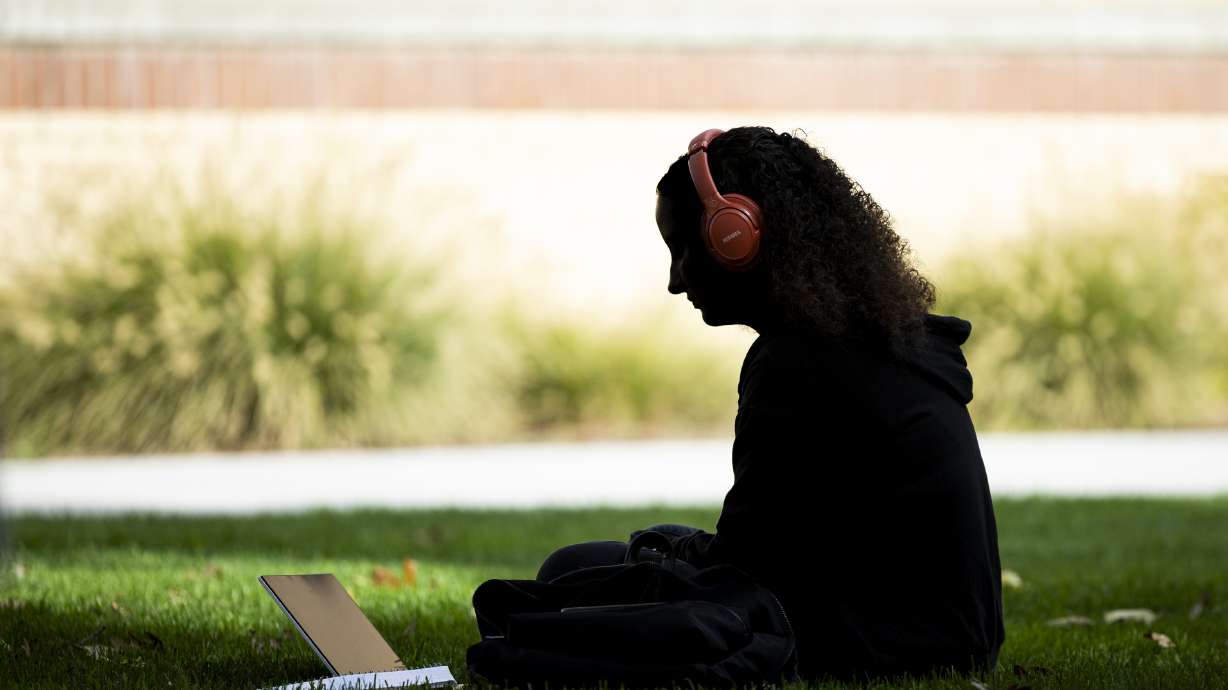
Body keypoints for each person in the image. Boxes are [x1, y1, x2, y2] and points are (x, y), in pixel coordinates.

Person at [535, 125, 1005, 682]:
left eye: (683, 249)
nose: (675, 280)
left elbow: (749, 563)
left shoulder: (795, 360)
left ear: (735, 236)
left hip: (874, 639)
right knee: (632, 551)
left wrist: (663, 556)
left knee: (570, 569)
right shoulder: (880, 341)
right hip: (949, 638)